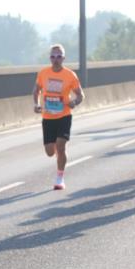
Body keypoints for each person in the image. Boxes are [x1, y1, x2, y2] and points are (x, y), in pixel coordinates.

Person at [33, 44, 84, 189]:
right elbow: (36, 91)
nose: (56, 59)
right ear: (50, 58)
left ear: (64, 58)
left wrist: (74, 102)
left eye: (59, 56)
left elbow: (81, 95)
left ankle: (60, 178)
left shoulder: (70, 75)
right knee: (50, 152)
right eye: (53, 56)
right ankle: (58, 154)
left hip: (64, 116)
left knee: (61, 146)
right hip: (48, 117)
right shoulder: (43, 73)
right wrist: (36, 104)